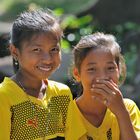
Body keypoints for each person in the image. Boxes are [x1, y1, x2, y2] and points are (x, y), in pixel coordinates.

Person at [0, 9, 73, 140]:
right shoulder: (4, 97)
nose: (48, 59)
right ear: (15, 52)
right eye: (37, 50)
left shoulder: (62, 93)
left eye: (54, 49)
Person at [65, 32, 140, 140]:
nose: (102, 77)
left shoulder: (128, 108)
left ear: (119, 71)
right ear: (77, 74)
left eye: (110, 68)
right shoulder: (66, 114)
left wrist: (122, 114)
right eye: (92, 69)